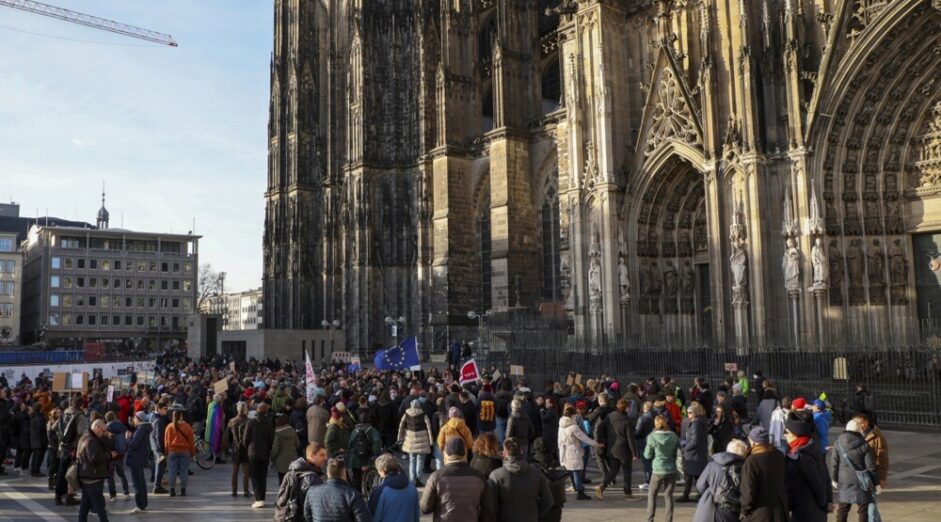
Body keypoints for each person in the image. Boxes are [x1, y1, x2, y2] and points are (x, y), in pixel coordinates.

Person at [420, 437, 493, 521]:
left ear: (445, 454)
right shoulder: (479, 477)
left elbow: (425, 508)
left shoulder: (436, 477)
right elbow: (488, 510)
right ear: (465, 452)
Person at [488, 437, 554, 522]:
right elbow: (548, 501)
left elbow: (491, 505)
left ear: (504, 453)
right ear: (522, 451)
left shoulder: (496, 475)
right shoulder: (537, 473)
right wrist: (535, 514)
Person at [829, 419, 878, 522]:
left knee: (843, 508)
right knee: (863, 510)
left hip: (844, 480)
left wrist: (834, 479)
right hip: (861, 481)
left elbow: (834, 463)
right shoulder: (864, 444)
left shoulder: (838, 443)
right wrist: (876, 483)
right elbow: (871, 466)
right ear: (859, 430)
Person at [783, 418, 831, 522]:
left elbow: (816, 482)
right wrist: (828, 501)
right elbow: (826, 478)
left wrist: (824, 503)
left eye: (787, 432)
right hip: (814, 510)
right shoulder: (813, 449)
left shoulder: (799, 456)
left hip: (805, 510)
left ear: (797, 434)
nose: (784, 435)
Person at [594, 398, 639, 500]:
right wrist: (634, 453)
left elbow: (600, 427)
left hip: (612, 448)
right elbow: (630, 439)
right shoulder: (627, 421)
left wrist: (601, 440)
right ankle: (628, 493)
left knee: (613, 470)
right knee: (627, 471)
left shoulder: (610, 416)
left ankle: (602, 486)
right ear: (626, 408)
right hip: (624, 450)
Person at [693, 439, 748, 522]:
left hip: (708, 510)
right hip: (732, 513)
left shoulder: (712, 464)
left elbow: (700, 487)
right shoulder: (745, 468)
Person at [739, 427, 788, 522]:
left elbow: (748, 492)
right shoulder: (779, 455)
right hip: (780, 511)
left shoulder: (752, 461)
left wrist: (744, 511)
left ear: (752, 442)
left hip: (760, 513)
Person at [558, 403, 602, 501]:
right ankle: (580, 492)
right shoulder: (574, 427)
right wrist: (596, 444)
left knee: (570, 472)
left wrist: (561, 456)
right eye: (574, 415)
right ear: (572, 415)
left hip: (565, 451)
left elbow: (559, 442)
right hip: (574, 451)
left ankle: (575, 487)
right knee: (577, 472)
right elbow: (585, 438)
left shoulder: (561, 426)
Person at [303, 458, 371, 522]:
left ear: (328, 473)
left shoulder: (311, 492)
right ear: (344, 473)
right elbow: (363, 519)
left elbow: (307, 516)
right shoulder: (353, 495)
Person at [274, 442, 326, 522]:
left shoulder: (291, 472)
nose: (325, 458)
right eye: (322, 455)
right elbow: (313, 509)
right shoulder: (312, 479)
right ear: (312, 456)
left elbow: (280, 499)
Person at [77, 419, 116, 522]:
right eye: (103, 431)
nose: (104, 433)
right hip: (92, 477)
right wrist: (109, 455)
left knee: (85, 503)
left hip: (86, 475)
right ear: (97, 428)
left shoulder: (86, 436)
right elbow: (94, 458)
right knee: (99, 505)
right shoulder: (91, 440)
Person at [644, 414, 680, 522]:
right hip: (671, 469)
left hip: (658, 470)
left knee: (652, 495)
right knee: (668, 496)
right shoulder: (673, 436)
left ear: (655, 423)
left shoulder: (651, 437)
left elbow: (647, 455)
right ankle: (669, 520)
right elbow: (676, 453)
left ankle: (650, 519)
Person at [368, 453, 420, 522]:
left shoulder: (379, 492)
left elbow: (373, 517)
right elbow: (416, 515)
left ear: (383, 470)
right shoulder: (412, 488)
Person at [56, 396, 89, 505]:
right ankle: (70, 496)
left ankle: (58, 495)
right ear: (81, 405)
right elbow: (81, 432)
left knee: (61, 471)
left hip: (63, 446)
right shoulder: (80, 416)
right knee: (72, 472)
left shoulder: (65, 413)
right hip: (74, 447)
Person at [244, 402, 275, 508]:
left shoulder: (251, 422)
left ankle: (258, 498)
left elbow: (245, 438)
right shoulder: (269, 422)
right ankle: (262, 498)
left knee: (254, 475)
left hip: (252, 451)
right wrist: (269, 447)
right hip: (265, 451)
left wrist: (247, 447)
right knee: (263, 475)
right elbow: (271, 439)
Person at [398, 398, 433, 485]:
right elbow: (429, 427)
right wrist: (431, 440)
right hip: (422, 440)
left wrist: (399, 438)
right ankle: (418, 477)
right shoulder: (423, 414)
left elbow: (401, 426)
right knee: (420, 460)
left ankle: (412, 480)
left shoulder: (406, 414)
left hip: (410, 440)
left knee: (411, 460)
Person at [679, 401, 709, 503]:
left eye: (690, 412)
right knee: (692, 476)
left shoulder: (696, 425)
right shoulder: (695, 423)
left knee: (694, 476)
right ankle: (691, 494)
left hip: (694, 455)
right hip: (695, 454)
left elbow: (694, 441)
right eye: (688, 412)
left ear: (695, 413)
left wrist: (685, 447)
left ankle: (697, 495)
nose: (688, 414)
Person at [164, 405, 197, 497]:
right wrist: (193, 453)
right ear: (181, 415)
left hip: (172, 451)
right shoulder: (187, 426)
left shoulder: (169, 427)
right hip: (184, 451)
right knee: (184, 471)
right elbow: (191, 441)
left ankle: (172, 490)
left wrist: (166, 452)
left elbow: (166, 441)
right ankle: (183, 489)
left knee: (172, 470)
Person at [348, 409, 382, 491]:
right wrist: (374, 455)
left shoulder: (354, 431)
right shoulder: (372, 430)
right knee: (370, 475)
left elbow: (350, 444)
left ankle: (358, 493)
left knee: (356, 478)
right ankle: (368, 490)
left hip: (355, 459)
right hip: (367, 458)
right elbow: (377, 442)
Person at [125, 411, 152, 514]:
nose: (133, 420)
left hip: (136, 459)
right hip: (140, 458)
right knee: (141, 482)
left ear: (139, 419)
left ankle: (140, 505)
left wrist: (127, 438)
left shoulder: (141, 430)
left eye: (135, 418)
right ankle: (143, 504)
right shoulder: (144, 429)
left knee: (137, 483)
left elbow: (133, 445)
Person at [854, 414, 889, 490]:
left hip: (871, 472)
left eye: (863, 422)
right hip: (858, 473)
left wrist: (882, 478)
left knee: (870, 498)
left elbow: (882, 458)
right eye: (858, 423)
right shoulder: (854, 436)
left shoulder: (877, 438)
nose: (861, 425)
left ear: (867, 422)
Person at [227, 401, 252, 497]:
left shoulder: (232, 421)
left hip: (235, 447)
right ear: (245, 410)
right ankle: (246, 490)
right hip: (245, 447)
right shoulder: (249, 421)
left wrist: (231, 445)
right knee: (246, 471)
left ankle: (234, 490)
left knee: (234, 470)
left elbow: (228, 436)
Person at [104, 411, 129, 500]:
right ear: (115, 417)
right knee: (122, 474)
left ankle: (113, 495)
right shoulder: (121, 426)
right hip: (120, 454)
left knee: (110, 476)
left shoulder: (106, 428)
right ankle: (126, 493)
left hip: (111, 455)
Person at [148, 400, 170, 495]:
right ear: (159, 409)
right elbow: (159, 436)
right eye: (165, 409)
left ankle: (157, 485)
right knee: (160, 466)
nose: (166, 410)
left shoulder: (154, 417)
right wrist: (162, 450)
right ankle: (157, 486)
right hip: (158, 447)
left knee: (159, 466)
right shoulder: (159, 420)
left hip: (154, 446)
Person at [271, 413, 299, 484]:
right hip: (291, 459)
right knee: (290, 481)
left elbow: (275, 449)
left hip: (280, 461)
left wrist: (272, 458)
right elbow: (298, 444)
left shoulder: (277, 433)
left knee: (281, 480)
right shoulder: (292, 431)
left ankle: (282, 494)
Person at [634, 400, 655, 491]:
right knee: (652, 462)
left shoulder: (642, 418)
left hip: (643, 442)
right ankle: (652, 481)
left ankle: (648, 482)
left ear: (645, 408)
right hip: (653, 441)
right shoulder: (655, 417)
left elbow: (637, 432)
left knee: (647, 463)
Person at [28, 404, 47, 477]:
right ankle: (36, 471)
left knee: (35, 456)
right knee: (39, 456)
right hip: (40, 440)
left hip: (34, 439)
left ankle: (33, 470)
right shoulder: (40, 417)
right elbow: (40, 428)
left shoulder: (32, 416)